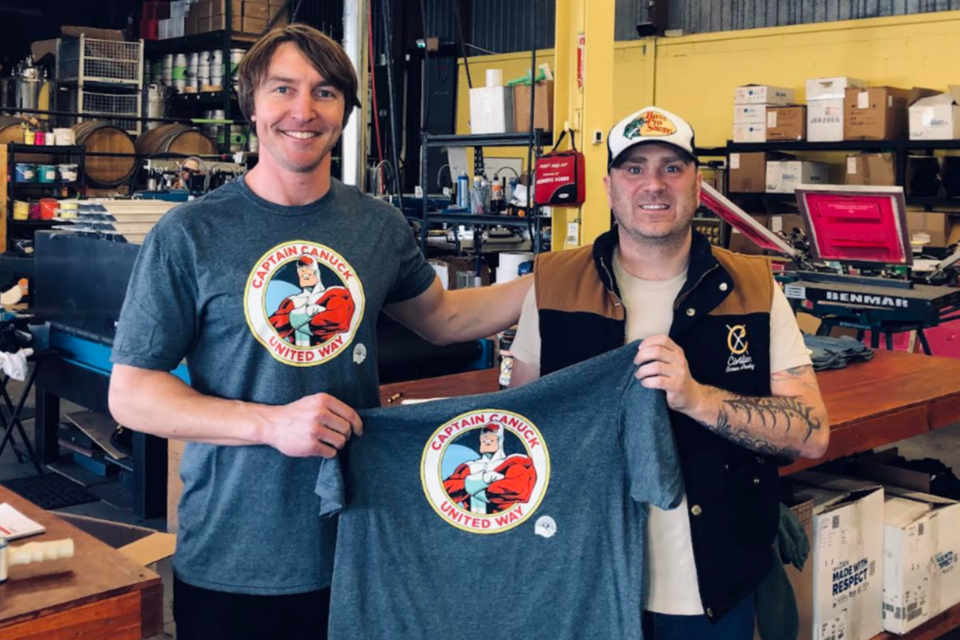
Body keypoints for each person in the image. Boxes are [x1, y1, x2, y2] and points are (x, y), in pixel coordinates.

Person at [108, 24, 532, 640]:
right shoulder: (190, 235)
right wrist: (271, 424)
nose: (303, 111)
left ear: (344, 111)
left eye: (325, 92)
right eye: (283, 89)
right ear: (251, 105)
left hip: (357, 542)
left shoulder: (377, 227)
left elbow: (447, 319)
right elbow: (131, 393)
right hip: (237, 556)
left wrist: (565, 275)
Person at [509, 106, 830, 639]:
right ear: (610, 187)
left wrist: (697, 398)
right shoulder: (553, 285)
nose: (653, 185)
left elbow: (813, 434)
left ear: (698, 185)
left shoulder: (751, 285)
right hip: (585, 584)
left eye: (671, 168)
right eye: (634, 169)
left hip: (711, 590)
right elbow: (524, 432)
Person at [442, 423, 537, 514]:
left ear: (501, 439)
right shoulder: (468, 467)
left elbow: (519, 490)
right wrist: (483, 479)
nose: (487, 436)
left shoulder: (514, 462)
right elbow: (444, 492)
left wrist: (472, 487)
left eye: (493, 433)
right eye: (484, 433)